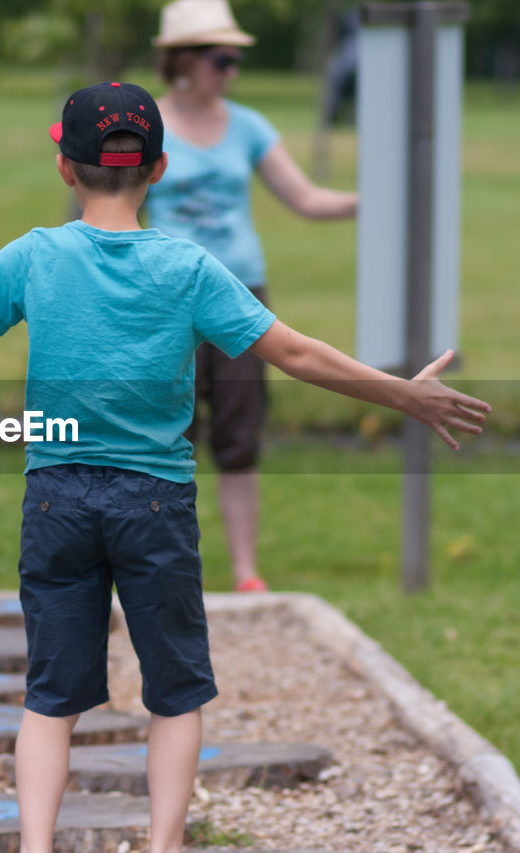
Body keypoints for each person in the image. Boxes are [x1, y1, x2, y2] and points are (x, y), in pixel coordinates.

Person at [0, 82, 488, 853]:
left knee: (49, 699)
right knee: (174, 695)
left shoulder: (33, 256)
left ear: (65, 166)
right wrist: (402, 394)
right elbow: (294, 352)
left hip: (57, 500)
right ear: (158, 168)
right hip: (155, 503)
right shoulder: (190, 269)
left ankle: (35, 845)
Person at [146, 0, 360, 593]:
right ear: (182, 61)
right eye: (221, 58)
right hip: (166, 300)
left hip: (239, 295)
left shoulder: (249, 125)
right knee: (165, 437)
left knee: (240, 434)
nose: (231, 70)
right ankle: (163, 565)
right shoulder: (147, 125)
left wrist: (374, 201)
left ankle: (245, 572)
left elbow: (307, 199)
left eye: (236, 59)